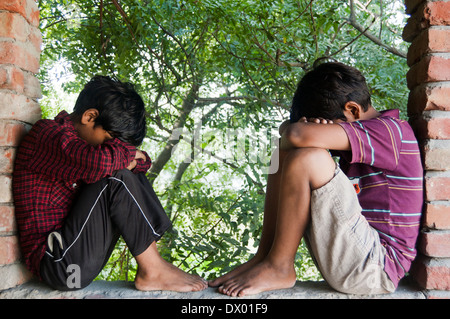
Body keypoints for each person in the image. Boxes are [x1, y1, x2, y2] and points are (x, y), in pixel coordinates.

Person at [209, 61, 423, 297]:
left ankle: (280, 266)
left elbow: (295, 133)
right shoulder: (360, 135)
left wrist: (303, 131)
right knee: (282, 152)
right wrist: (304, 130)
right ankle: (265, 257)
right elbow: (288, 134)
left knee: (308, 157)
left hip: (377, 267)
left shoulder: (391, 132)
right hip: (355, 253)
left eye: (326, 125)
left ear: (352, 110)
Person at [13, 75, 207, 292]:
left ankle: (154, 263)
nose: (110, 149)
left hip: (77, 261)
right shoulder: (47, 135)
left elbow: (141, 163)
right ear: (89, 117)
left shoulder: (83, 149)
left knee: (119, 171)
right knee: (113, 176)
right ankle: (153, 270)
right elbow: (103, 162)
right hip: (59, 265)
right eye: (108, 142)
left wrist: (129, 157)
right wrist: (128, 156)